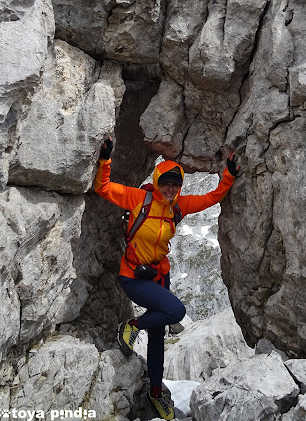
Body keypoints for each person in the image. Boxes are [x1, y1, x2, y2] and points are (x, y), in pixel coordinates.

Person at [94, 138, 240, 420]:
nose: (170, 189)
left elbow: (211, 198)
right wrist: (105, 160)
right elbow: (103, 187)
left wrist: (229, 175)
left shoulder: (179, 206)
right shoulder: (138, 199)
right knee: (175, 311)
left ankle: (156, 393)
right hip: (134, 276)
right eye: (166, 183)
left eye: (175, 184)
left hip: (160, 274)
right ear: (158, 181)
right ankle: (132, 325)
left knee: (158, 336)